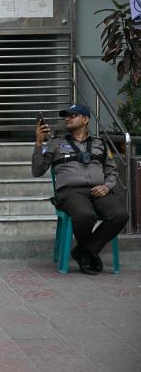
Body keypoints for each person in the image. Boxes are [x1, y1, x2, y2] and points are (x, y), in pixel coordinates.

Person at [32, 104, 129, 275]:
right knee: (86, 215)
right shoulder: (55, 143)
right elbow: (37, 170)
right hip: (70, 193)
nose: (68, 118)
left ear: (85, 119)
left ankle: (84, 251)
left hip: (99, 190)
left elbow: (111, 170)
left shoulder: (101, 143)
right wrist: (39, 143)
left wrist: (106, 186)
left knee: (120, 214)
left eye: (73, 115)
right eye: (66, 116)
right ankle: (88, 253)